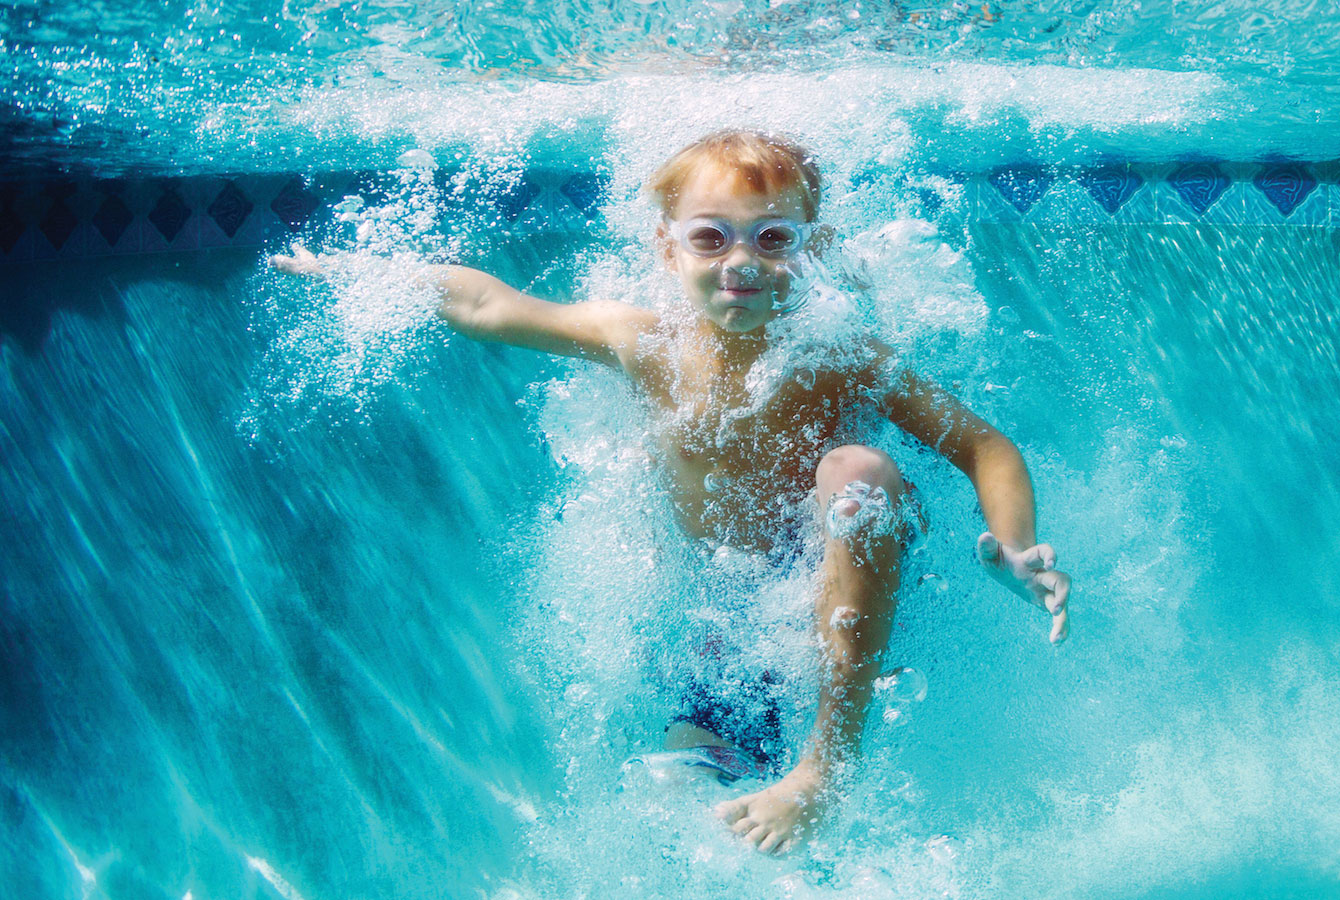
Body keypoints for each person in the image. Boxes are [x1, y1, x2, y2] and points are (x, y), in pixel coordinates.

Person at [271, 129, 1070, 857]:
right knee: (689, 814)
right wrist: (373, 277)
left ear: (811, 249)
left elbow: (984, 444)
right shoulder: (642, 341)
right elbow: (491, 304)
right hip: (733, 617)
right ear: (669, 248)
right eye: (711, 236)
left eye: (774, 237)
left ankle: (826, 770)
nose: (742, 259)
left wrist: (1013, 547)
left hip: (851, 578)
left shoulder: (839, 354)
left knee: (854, 472)